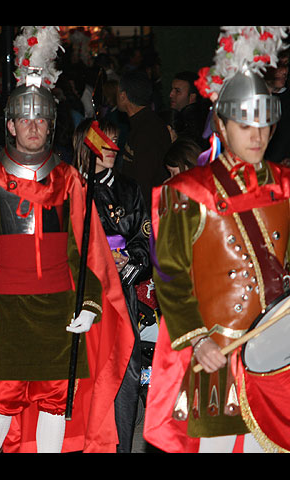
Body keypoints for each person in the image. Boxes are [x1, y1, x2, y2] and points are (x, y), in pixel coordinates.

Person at [0, 26, 134, 453]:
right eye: (25, 118)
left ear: (51, 124)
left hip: (59, 308)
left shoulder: (70, 179)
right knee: (0, 401)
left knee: (56, 402)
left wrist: (90, 302)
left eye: (41, 118)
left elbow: (86, 249)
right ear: (11, 125)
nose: (33, 126)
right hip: (7, 309)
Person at [144, 26, 290, 453]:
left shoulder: (286, 185)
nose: (257, 135)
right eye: (245, 124)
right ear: (222, 125)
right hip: (217, 351)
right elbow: (169, 275)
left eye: (264, 123)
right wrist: (197, 339)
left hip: (277, 351)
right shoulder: (185, 191)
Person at [73, 117, 152, 452]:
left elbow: (144, 242)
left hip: (119, 292)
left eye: (114, 142)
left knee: (124, 368)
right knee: (82, 371)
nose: (110, 150)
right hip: (80, 290)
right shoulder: (70, 186)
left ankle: (119, 446)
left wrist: (128, 260)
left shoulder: (130, 189)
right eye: (102, 142)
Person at [117, 70, 172, 211]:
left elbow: (144, 182)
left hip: (147, 214)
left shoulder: (147, 130)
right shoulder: (141, 124)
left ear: (123, 96)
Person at [169, 71, 210, 149]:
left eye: (177, 91)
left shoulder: (191, 125)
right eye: (172, 90)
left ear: (192, 97)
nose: (171, 94)